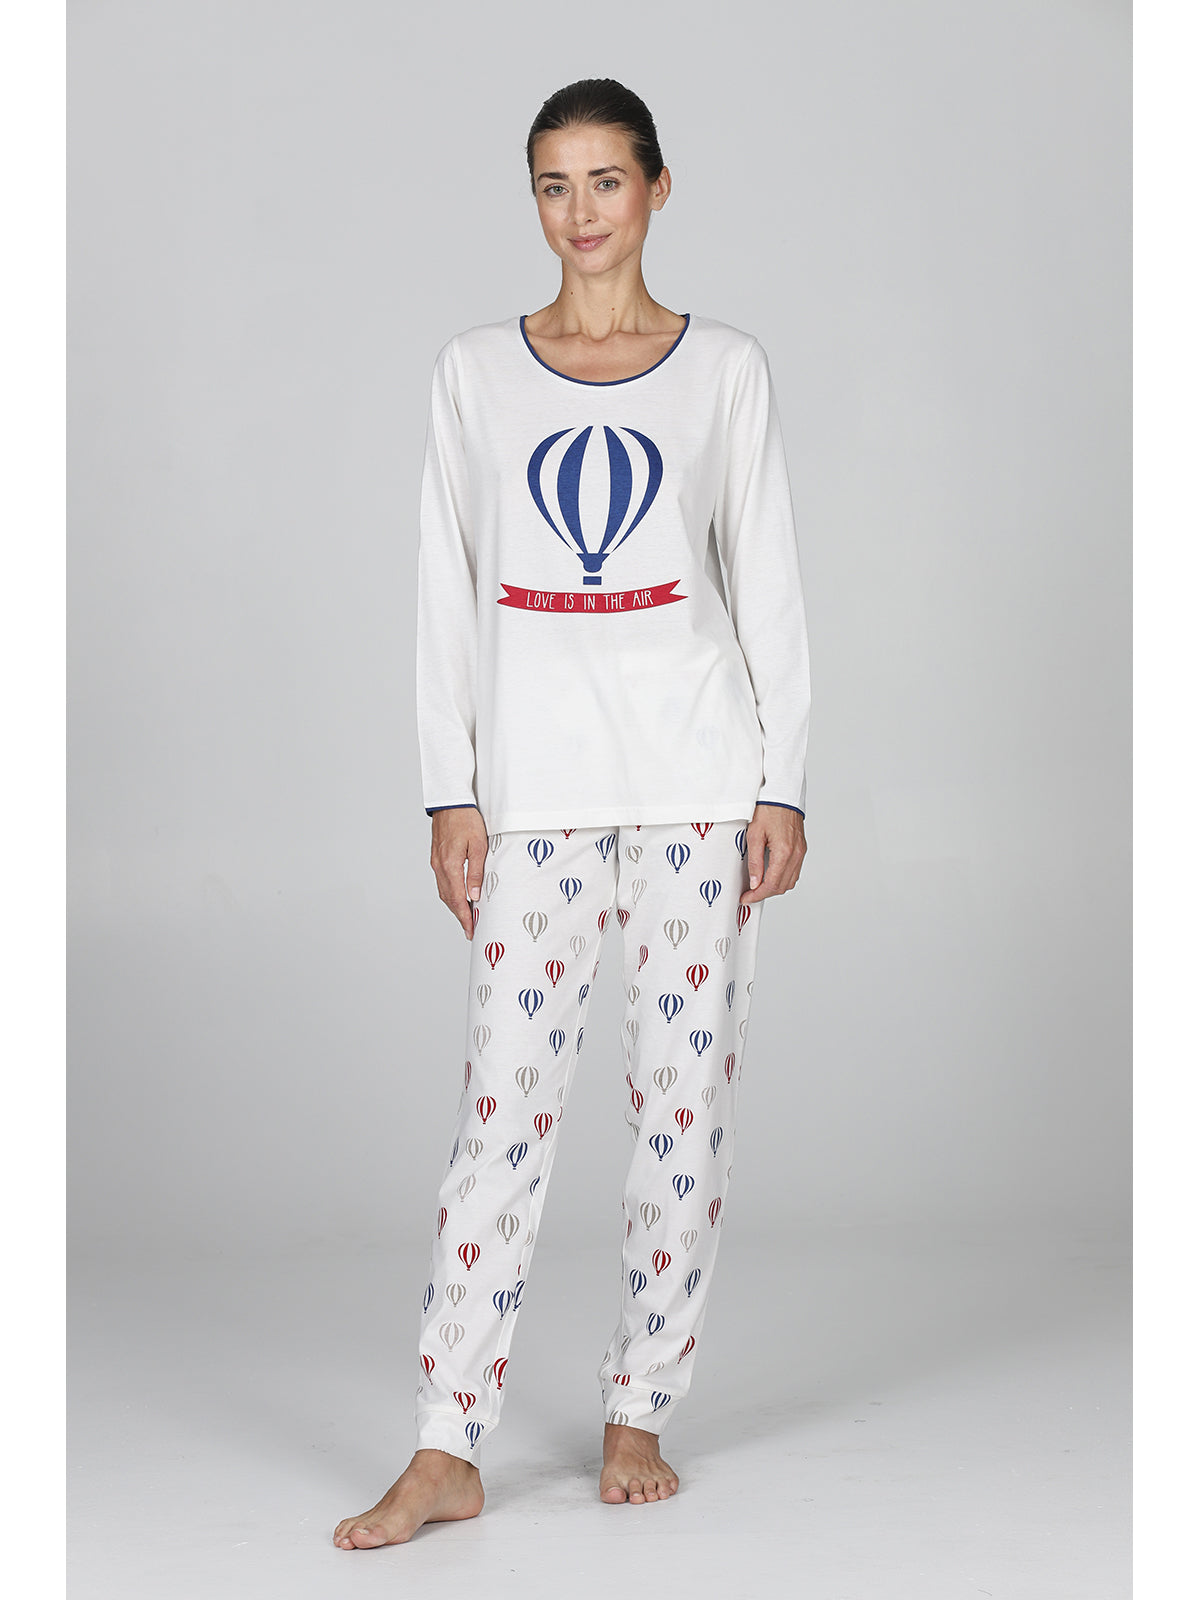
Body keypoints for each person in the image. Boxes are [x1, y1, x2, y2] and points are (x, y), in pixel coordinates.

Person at [334, 76, 810, 1549]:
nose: (581, 210)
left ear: (658, 188)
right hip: (533, 799)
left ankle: (637, 1409)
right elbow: (444, 588)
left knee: (683, 1112)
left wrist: (781, 780)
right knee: (502, 1120)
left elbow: (766, 578)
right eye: (555, 184)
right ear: (533, 201)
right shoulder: (474, 373)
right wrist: (451, 789)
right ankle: (447, 1445)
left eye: (607, 180)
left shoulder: (724, 369)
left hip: (695, 789)